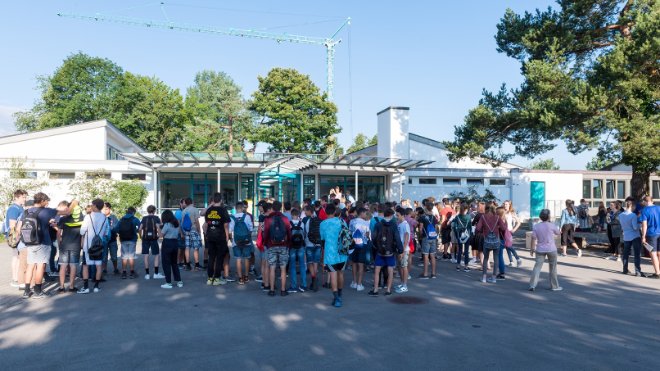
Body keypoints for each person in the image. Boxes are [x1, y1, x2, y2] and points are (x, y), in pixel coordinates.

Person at [18, 192, 60, 299]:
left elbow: (19, 228)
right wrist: (74, 203)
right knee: (40, 266)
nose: (47, 204)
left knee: (31, 265)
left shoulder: (27, 211)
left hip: (30, 242)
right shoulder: (46, 211)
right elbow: (66, 211)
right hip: (43, 242)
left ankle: (27, 291)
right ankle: (37, 291)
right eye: (46, 201)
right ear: (42, 201)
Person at [320, 203, 349, 307]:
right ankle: (340, 295)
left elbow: (322, 241)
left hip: (330, 253)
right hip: (342, 253)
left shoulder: (323, 224)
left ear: (326, 212)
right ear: (334, 212)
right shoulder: (342, 221)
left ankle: (336, 298)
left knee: (333, 275)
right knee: (340, 274)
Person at [78, 198, 110, 294]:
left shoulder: (88, 217)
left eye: (92, 205)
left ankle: (86, 287)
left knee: (85, 266)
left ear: (95, 206)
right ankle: (96, 286)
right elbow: (106, 232)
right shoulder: (105, 217)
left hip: (88, 245)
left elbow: (82, 231)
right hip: (99, 245)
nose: (91, 206)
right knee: (98, 266)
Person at [369, 208, 403, 297]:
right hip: (390, 252)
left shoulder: (378, 224)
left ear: (384, 215)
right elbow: (397, 238)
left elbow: (374, 237)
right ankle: (388, 290)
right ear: (391, 216)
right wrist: (400, 249)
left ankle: (375, 290)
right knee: (390, 270)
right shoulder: (394, 225)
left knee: (377, 271)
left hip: (380, 252)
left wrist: (376, 247)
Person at [262, 201, 291, 296]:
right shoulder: (285, 219)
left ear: (272, 208)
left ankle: (272, 290)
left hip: (271, 245)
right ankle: (283, 290)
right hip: (283, 245)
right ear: (281, 207)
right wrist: (288, 244)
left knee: (272, 267)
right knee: (283, 268)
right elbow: (289, 232)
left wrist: (266, 243)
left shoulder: (268, 219)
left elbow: (265, 233)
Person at [529, 209, 562, 291]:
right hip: (551, 249)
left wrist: (532, 249)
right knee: (553, 268)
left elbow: (533, 238)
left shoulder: (536, 226)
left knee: (537, 267)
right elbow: (558, 233)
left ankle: (532, 285)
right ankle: (554, 286)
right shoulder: (552, 225)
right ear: (549, 216)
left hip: (540, 249)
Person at [204, 193, 231, 286]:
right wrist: (227, 236)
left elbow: (206, 223)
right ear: (221, 200)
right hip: (220, 236)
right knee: (219, 258)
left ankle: (210, 278)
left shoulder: (209, 210)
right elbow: (226, 225)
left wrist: (206, 234)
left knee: (211, 257)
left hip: (210, 236)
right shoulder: (223, 210)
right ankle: (216, 278)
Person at [57, 202, 84, 292]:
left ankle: (61, 287)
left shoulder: (63, 219)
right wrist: (81, 245)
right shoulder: (82, 219)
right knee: (73, 266)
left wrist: (59, 243)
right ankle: (72, 287)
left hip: (64, 245)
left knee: (63, 266)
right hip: (76, 245)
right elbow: (83, 234)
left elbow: (58, 232)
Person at [476, 204, 506, 284]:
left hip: (487, 240)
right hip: (496, 240)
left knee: (485, 259)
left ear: (486, 209)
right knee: (496, 259)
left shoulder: (483, 217)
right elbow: (503, 228)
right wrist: (497, 227)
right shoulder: (497, 217)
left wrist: (483, 229)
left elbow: (478, 228)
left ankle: (484, 278)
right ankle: (493, 278)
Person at [5, 189, 27, 288]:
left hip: (20, 235)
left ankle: (18, 277)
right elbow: (12, 225)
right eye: (23, 197)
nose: (25, 199)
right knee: (16, 257)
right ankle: (15, 279)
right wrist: (16, 238)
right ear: (17, 197)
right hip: (16, 236)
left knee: (19, 257)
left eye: (25, 197)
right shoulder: (14, 208)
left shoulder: (20, 208)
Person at [229, 201, 254, 285]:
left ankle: (240, 278)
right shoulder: (247, 216)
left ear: (235, 208)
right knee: (247, 258)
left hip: (236, 241)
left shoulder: (232, 217)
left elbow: (230, 230)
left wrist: (231, 239)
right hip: (246, 241)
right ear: (242, 208)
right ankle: (246, 276)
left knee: (238, 259)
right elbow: (251, 229)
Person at [619, 197, 644, 277]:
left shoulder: (621, 215)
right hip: (634, 235)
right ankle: (637, 271)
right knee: (636, 254)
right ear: (632, 206)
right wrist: (640, 223)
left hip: (626, 235)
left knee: (626, 253)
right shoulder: (633, 215)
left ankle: (625, 269)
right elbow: (635, 227)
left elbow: (622, 226)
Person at [159, 209, 183, 289]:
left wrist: (158, 228)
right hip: (175, 243)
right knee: (174, 263)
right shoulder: (176, 224)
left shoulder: (167, 225)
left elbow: (160, 235)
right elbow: (179, 233)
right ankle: (179, 281)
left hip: (167, 243)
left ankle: (168, 282)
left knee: (166, 263)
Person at [139, 205, 164, 280]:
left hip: (145, 238)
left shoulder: (144, 218)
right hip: (153, 238)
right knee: (156, 255)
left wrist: (140, 236)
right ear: (154, 211)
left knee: (146, 255)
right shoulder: (156, 218)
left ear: (147, 211)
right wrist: (160, 235)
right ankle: (156, 273)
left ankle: (147, 274)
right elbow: (159, 226)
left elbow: (140, 228)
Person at [115, 206, 141, 279]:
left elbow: (116, 229)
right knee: (131, 256)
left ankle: (124, 273)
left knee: (124, 256)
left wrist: (121, 234)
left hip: (123, 240)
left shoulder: (121, 219)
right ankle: (132, 272)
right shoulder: (135, 219)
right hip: (132, 240)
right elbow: (140, 228)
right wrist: (137, 233)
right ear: (133, 212)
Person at [349, 207, 370, 292]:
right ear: (361, 213)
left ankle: (354, 282)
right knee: (361, 264)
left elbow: (349, 232)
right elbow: (368, 235)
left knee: (354, 263)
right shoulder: (366, 223)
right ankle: (359, 284)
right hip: (362, 244)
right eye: (365, 213)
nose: (366, 215)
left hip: (353, 243)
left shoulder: (352, 221)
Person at [286, 209, 307, 293]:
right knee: (302, 265)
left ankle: (293, 286)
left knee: (292, 266)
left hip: (292, 247)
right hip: (301, 245)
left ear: (291, 215)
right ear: (298, 215)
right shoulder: (302, 223)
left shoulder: (289, 224)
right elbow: (304, 234)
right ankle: (304, 285)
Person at [303, 205, 323, 291]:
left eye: (305, 211)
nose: (304, 213)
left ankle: (313, 278)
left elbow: (305, 232)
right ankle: (314, 279)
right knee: (315, 263)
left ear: (308, 211)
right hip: (318, 244)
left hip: (309, 244)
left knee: (310, 262)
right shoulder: (319, 219)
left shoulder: (306, 220)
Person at [417, 202, 438, 279]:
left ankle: (425, 274)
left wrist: (420, 235)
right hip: (433, 237)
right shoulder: (434, 217)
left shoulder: (423, 217)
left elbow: (420, 228)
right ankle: (433, 273)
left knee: (426, 255)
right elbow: (436, 228)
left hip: (426, 237)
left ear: (425, 207)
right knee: (432, 255)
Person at [181, 198, 203, 270]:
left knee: (187, 247)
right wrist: (199, 231)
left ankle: (187, 264)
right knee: (196, 248)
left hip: (187, 231)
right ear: (192, 202)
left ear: (186, 203)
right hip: (194, 230)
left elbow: (182, 222)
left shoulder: (184, 211)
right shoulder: (195, 209)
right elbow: (197, 221)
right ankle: (197, 264)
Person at [640, 196, 660, 278]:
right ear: (652, 201)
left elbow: (644, 225)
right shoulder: (659, 208)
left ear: (645, 202)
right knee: (659, 253)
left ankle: (657, 273)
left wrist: (643, 236)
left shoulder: (644, 210)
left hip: (652, 234)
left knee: (653, 253)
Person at [451, 203, 472, 272]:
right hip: (467, 235)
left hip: (459, 235)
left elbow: (454, 226)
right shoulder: (469, 217)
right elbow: (470, 227)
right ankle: (466, 266)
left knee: (459, 250)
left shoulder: (457, 217)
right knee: (466, 251)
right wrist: (470, 234)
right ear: (466, 209)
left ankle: (458, 265)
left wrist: (457, 234)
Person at [395, 207, 411, 293]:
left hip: (403, 250)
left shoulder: (405, 224)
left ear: (403, 215)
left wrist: (403, 250)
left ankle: (405, 285)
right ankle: (402, 283)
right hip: (400, 249)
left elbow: (407, 237)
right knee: (400, 266)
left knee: (404, 266)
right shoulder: (399, 224)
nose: (396, 217)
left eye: (397, 215)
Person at [101, 202, 120, 275]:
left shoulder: (113, 217)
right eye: (103, 209)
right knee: (104, 256)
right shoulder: (101, 217)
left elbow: (117, 227)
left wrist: (111, 229)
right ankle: (104, 269)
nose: (105, 211)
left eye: (106, 209)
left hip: (112, 240)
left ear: (109, 209)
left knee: (114, 256)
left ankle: (115, 269)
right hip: (103, 240)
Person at [503, 200, 523, 267]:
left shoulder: (511, 213)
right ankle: (511, 261)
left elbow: (519, 222)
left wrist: (514, 229)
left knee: (509, 246)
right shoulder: (503, 212)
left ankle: (518, 259)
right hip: (503, 231)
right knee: (506, 246)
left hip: (509, 231)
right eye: (504, 204)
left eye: (506, 204)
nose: (505, 205)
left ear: (509, 205)